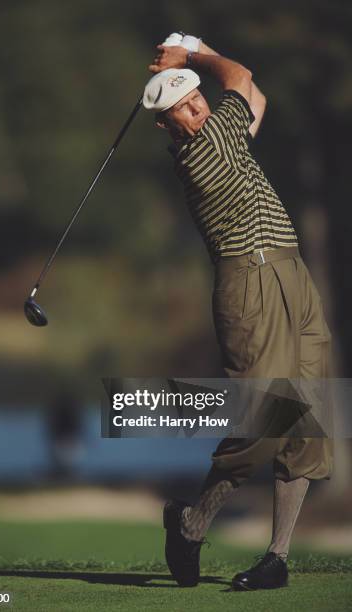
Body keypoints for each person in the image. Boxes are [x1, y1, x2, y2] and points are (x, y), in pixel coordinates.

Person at [143, 33, 333, 590]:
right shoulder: (202, 150)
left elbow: (258, 100)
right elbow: (243, 78)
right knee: (261, 422)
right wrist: (192, 53)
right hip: (248, 285)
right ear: (167, 125)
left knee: (308, 420)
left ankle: (276, 558)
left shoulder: (227, 138)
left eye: (194, 96)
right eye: (179, 107)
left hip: (293, 275)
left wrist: (187, 53)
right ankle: (191, 523)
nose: (194, 107)